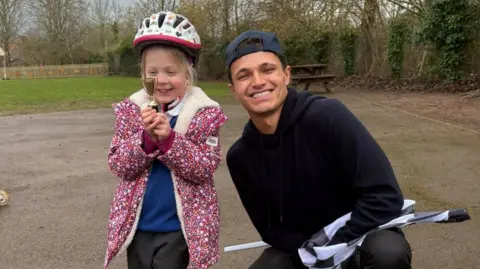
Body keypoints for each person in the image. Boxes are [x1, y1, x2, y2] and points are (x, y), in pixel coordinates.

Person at [224, 30, 412, 269]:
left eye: (268, 69)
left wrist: (333, 245)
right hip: (305, 251)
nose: (258, 81)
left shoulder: (328, 117)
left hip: (363, 235)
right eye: (244, 75)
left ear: (286, 75)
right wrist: (313, 254)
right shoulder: (240, 158)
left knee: (388, 252)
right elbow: (270, 231)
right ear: (233, 89)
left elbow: (385, 197)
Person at [103, 11, 228, 269]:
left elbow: (204, 167)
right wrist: (146, 141)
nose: (161, 80)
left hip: (181, 230)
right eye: (152, 72)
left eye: (170, 71)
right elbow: (118, 165)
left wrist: (170, 140)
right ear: (142, 73)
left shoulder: (204, 114)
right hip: (138, 227)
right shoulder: (132, 110)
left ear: (187, 72)